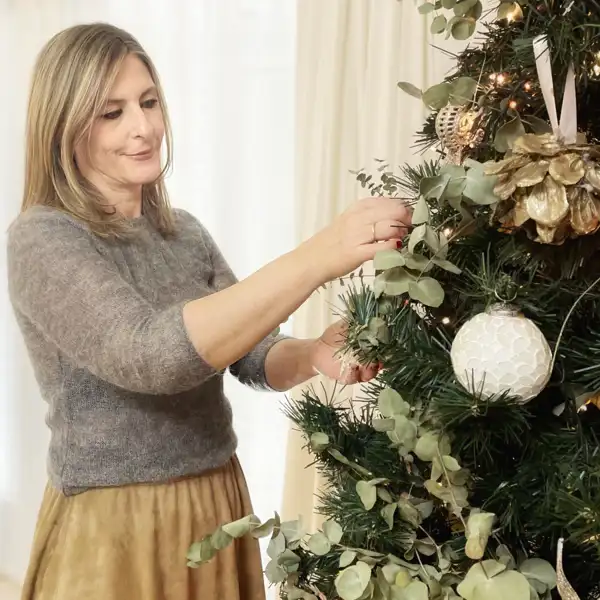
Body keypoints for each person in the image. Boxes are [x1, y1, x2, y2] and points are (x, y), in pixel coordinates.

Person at [7, 22, 410, 600]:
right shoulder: (42, 237)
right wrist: (319, 255)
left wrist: (313, 354)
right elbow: (150, 355)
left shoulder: (184, 234)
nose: (143, 127)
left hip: (218, 500)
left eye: (148, 102)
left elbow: (251, 353)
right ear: (65, 126)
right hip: (115, 522)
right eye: (111, 112)